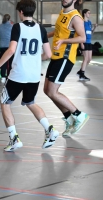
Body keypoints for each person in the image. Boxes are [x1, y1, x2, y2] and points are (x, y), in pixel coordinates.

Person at [0, 0, 59, 151]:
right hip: (33, 75)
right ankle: (50, 129)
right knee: (30, 102)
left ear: (20, 12)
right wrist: (33, 59)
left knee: (5, 103)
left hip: (19, 74)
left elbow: (11, 50)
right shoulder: (41, 29)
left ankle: (14, 138)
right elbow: (48, 54)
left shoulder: (17, 27)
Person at [44, 0, 88, 138]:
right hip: (56, 57)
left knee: (52, 91)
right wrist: (44, 36)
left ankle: (79, 114)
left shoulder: (75, 17)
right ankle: (69, 118)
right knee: (47, 90)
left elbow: (82, 37)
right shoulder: (63, 12)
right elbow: (58, 32)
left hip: (65, 58)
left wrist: (64, 41)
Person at [77, 9, 98, 81]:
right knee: (85, 59)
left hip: (89, 42)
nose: (90, 14)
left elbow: (91, 33)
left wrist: (94, 27)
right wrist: (81, 43)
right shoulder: (82, 22)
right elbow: (79, 34)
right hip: (84, 42)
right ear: (85, 14)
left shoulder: (89, 22)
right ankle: (81, 75)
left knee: (89, 59)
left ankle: (80, 71)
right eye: (88, 13)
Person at [0, 14, 14, 83]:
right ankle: (9, 76)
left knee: (3, 61)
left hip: (2, 45)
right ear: (9, 19)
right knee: (10, 62)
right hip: (9, 45)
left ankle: (3, 77)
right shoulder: (11, 26)